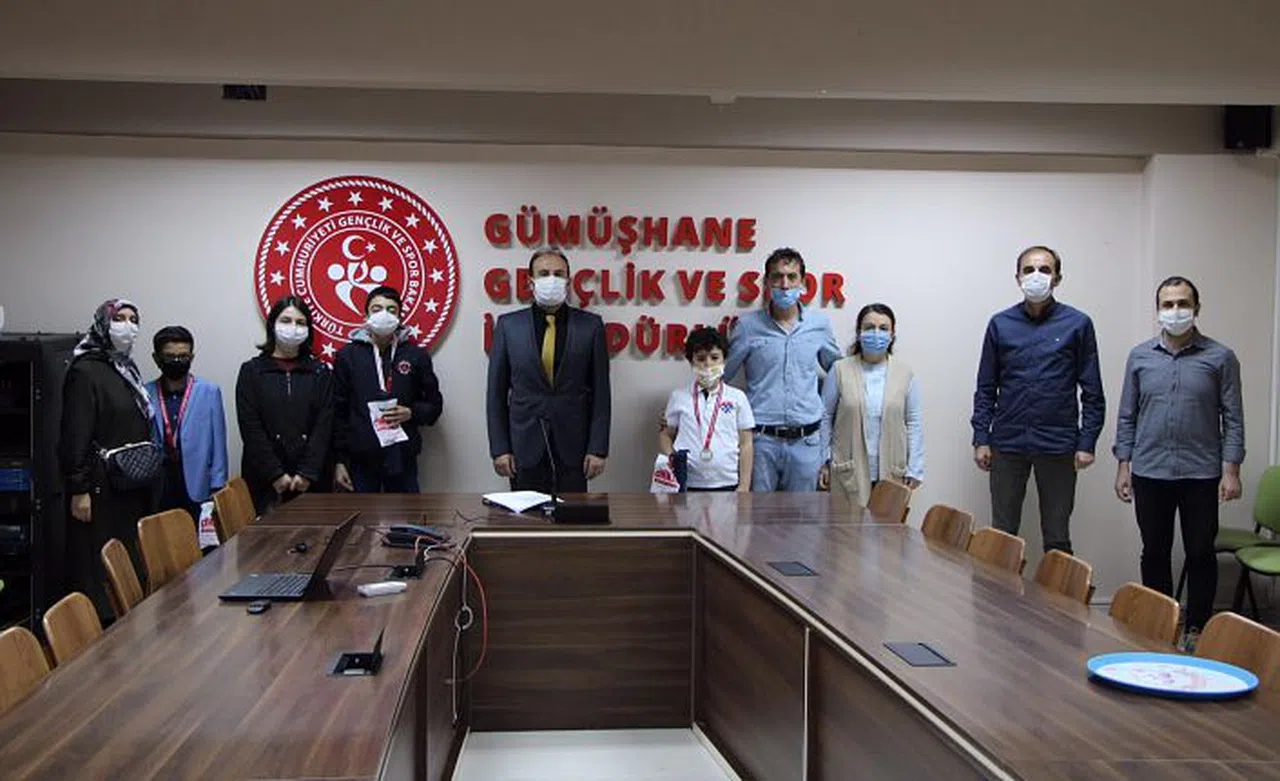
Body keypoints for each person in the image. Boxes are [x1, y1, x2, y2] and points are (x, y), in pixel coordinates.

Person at [1113, 276, 1243, 644]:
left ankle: (1197, 629)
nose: (1175, 311)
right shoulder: (1139, 357)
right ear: (1158, 311)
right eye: (1168, 305)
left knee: (1200, 552)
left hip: (1201, 473)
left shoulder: (1220, 357)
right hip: (1150, 471)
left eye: (1182, 304)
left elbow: (1233, 418)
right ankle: (1159, 626)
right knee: (1154, 551)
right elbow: (1127, 415)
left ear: (1196, 308)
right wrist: (1123, 465)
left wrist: (1231, 470)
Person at [970, 246, 1104, 554]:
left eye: (1044, 269)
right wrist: (981, 438)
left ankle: (1057, 589)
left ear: (1057, 278)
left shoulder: (1078, 324)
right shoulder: (1000, 324)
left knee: (1057, 536)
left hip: (1058, 443)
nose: (1036, 276)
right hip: (1007, 442)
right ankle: (999, 589)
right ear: (1017, 277)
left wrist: (1087, 442)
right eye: (1028, 270)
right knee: (1002, 535)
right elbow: (986, 387)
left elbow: (1093, 391)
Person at [60, 299, 156, 619]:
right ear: (104, 323)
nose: (128, 326)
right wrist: (79, 488)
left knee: (128, 562)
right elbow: (75, 432)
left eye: (133, 319)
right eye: (120, 318)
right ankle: (102, 626)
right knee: (99, 565)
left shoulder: (125, 368)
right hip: (98, 487)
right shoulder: (85, 370)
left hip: (129, 483)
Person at [487, 248, 610, 494]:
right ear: (530, 281)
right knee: (526, 516)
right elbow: (496, 394)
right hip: (523, 445)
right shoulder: (508, 326)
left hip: (574, 447)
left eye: (558, 274)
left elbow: (601, 394)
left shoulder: (590, 326)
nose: (551, 279)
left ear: (568, 280)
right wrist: (500, 448)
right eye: (543, 274)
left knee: (572, 514)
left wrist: (597, 448)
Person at [723, 247, 840, 492]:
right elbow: (721, 376)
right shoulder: (747, 327)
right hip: (761, 442)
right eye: (777, 277)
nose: (784, 285)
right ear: (767, 283)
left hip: (807, 443)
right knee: (758, 513)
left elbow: (840, 373)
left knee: (804, 515)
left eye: (791, 277)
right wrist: (689, 405)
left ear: (803, 282)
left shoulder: (819, 325)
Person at [333, 286, 443, 493]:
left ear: (400, 317)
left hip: (402, 456)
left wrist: (411, 412)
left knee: (407, 513)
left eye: (391, 310)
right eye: (376, 309)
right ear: (365, 316)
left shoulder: (416, 355)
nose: (384, 314)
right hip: (361, 459)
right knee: (362, 514)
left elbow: (435, 406)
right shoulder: (347, 356)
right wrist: (340, 461)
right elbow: (338, 411)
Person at [235, 296, 334, 512]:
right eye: (286, 321)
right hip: (264, 481)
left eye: (300, 322)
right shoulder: (252, 371)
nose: (293, 328)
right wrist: (275, 474)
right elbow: (250, 427)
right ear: (272, 325)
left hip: (312, 480)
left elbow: (324, 426)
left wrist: (307, 473)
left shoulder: (320, 372)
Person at [820, 303, 924, 506]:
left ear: (892, 335)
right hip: (847, 469)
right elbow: (825, 417)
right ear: (859, 333)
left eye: (883, 328)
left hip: (891, 470)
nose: (876, 334)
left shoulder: (905, 374)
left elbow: (913, 422)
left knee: (886, 525)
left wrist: (915, 467)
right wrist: (824, 460)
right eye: (869, 327)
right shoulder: (840, 370)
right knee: (848, 524)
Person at [145, 326, 228, 528]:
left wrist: (218, 485)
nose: (177, 361)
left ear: (191, 357)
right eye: (169, 356)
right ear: (156, 358)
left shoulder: (209, 392)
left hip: (198, 483)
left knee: (202, 542)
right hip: (160, 483)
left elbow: (218, 443)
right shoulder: (145, 393)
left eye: (183, 356)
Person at [659, 327, 755, 492]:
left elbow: (746, 443)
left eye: (715, 358)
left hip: (727, 483)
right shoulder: (678, 397)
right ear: (691, 362)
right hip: (688, 483)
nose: (708, 364)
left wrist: (744, 485)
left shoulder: (737, 397)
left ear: (724, 360)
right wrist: (672, 459)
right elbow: (666, 434)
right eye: (701, 358)